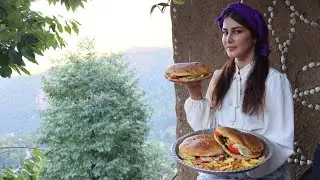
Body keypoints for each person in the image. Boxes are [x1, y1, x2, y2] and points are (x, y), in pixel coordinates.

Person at [183, 2, 294, 180]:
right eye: (225, 32)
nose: (228, 39)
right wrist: (195, 93)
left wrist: (243, 167)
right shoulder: (219, 77)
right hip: (223, 171)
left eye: (237, 31)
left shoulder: (274, 81)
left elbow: (281, 142)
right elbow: (209, 131)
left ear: (255, 37)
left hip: (264, 174)